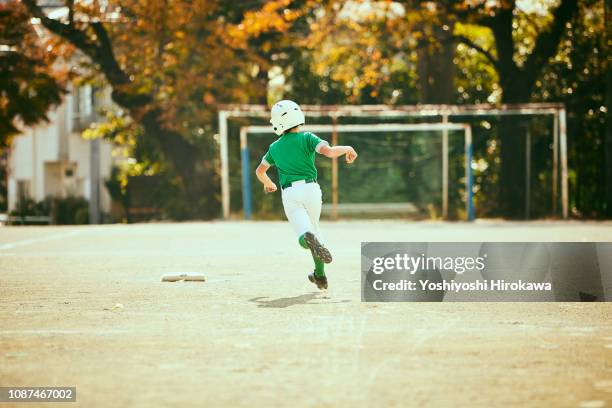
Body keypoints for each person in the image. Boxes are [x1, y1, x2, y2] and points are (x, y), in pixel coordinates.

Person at [255, 100, 358, 290]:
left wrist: (269, 183)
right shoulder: (308, 138)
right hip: (312, 190)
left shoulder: (274, 147)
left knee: (305, 236)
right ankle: (320, 275)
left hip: (291, 193)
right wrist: (347, 149)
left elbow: (260, 171)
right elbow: (328, 152)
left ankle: (310, 242)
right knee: (315, 232)